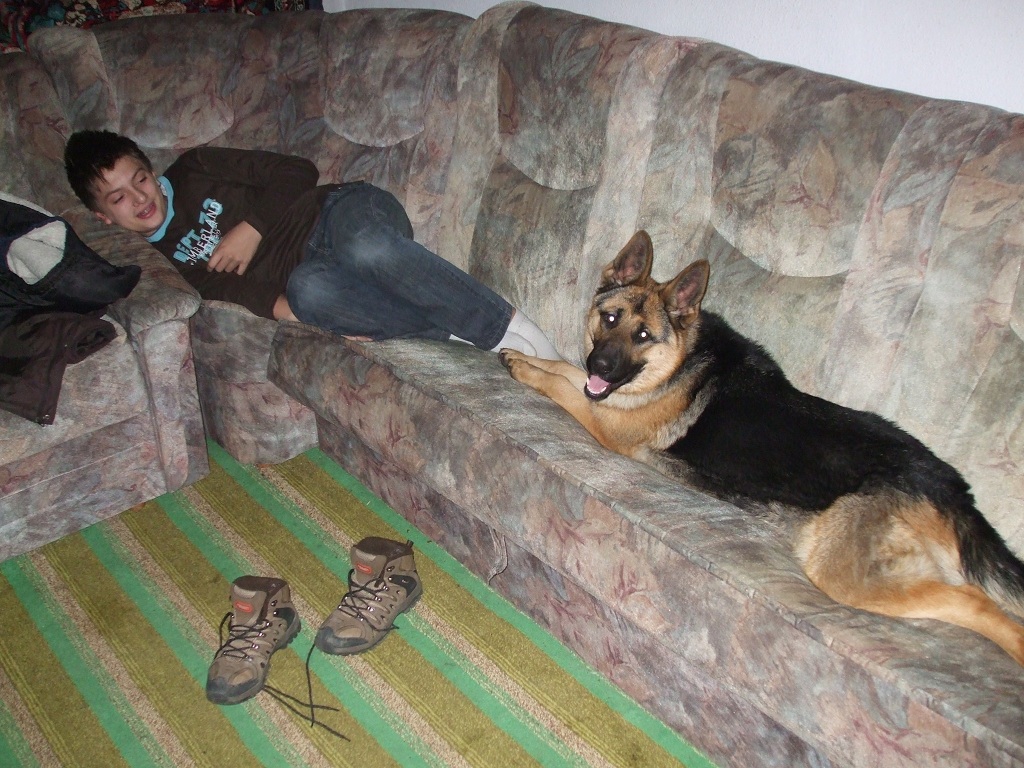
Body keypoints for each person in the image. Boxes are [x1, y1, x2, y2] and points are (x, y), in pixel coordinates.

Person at [63, 130, 560, 359]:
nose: (140, 198)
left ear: (151, 170)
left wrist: (252, 227)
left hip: (342, 213)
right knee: (308, 293)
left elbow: (297, 171)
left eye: (140, 179)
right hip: (317, 275)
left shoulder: (195, 168)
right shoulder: (161, 260)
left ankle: (507, 328)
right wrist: (318, 314)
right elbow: (229, 291)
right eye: (119, 198)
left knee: (365, 248)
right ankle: (452, 332)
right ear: (103, 216)